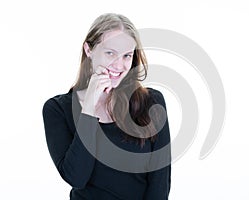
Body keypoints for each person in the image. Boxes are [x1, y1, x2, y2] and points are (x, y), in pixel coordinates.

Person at [42, 13, 171, 200]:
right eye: (110, 53)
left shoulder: (151, 101)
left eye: (127, 55)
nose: (119, 65)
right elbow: (76, 177)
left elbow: (160, 180)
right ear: (89, 49)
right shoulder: (57, 109)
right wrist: (89, 109)